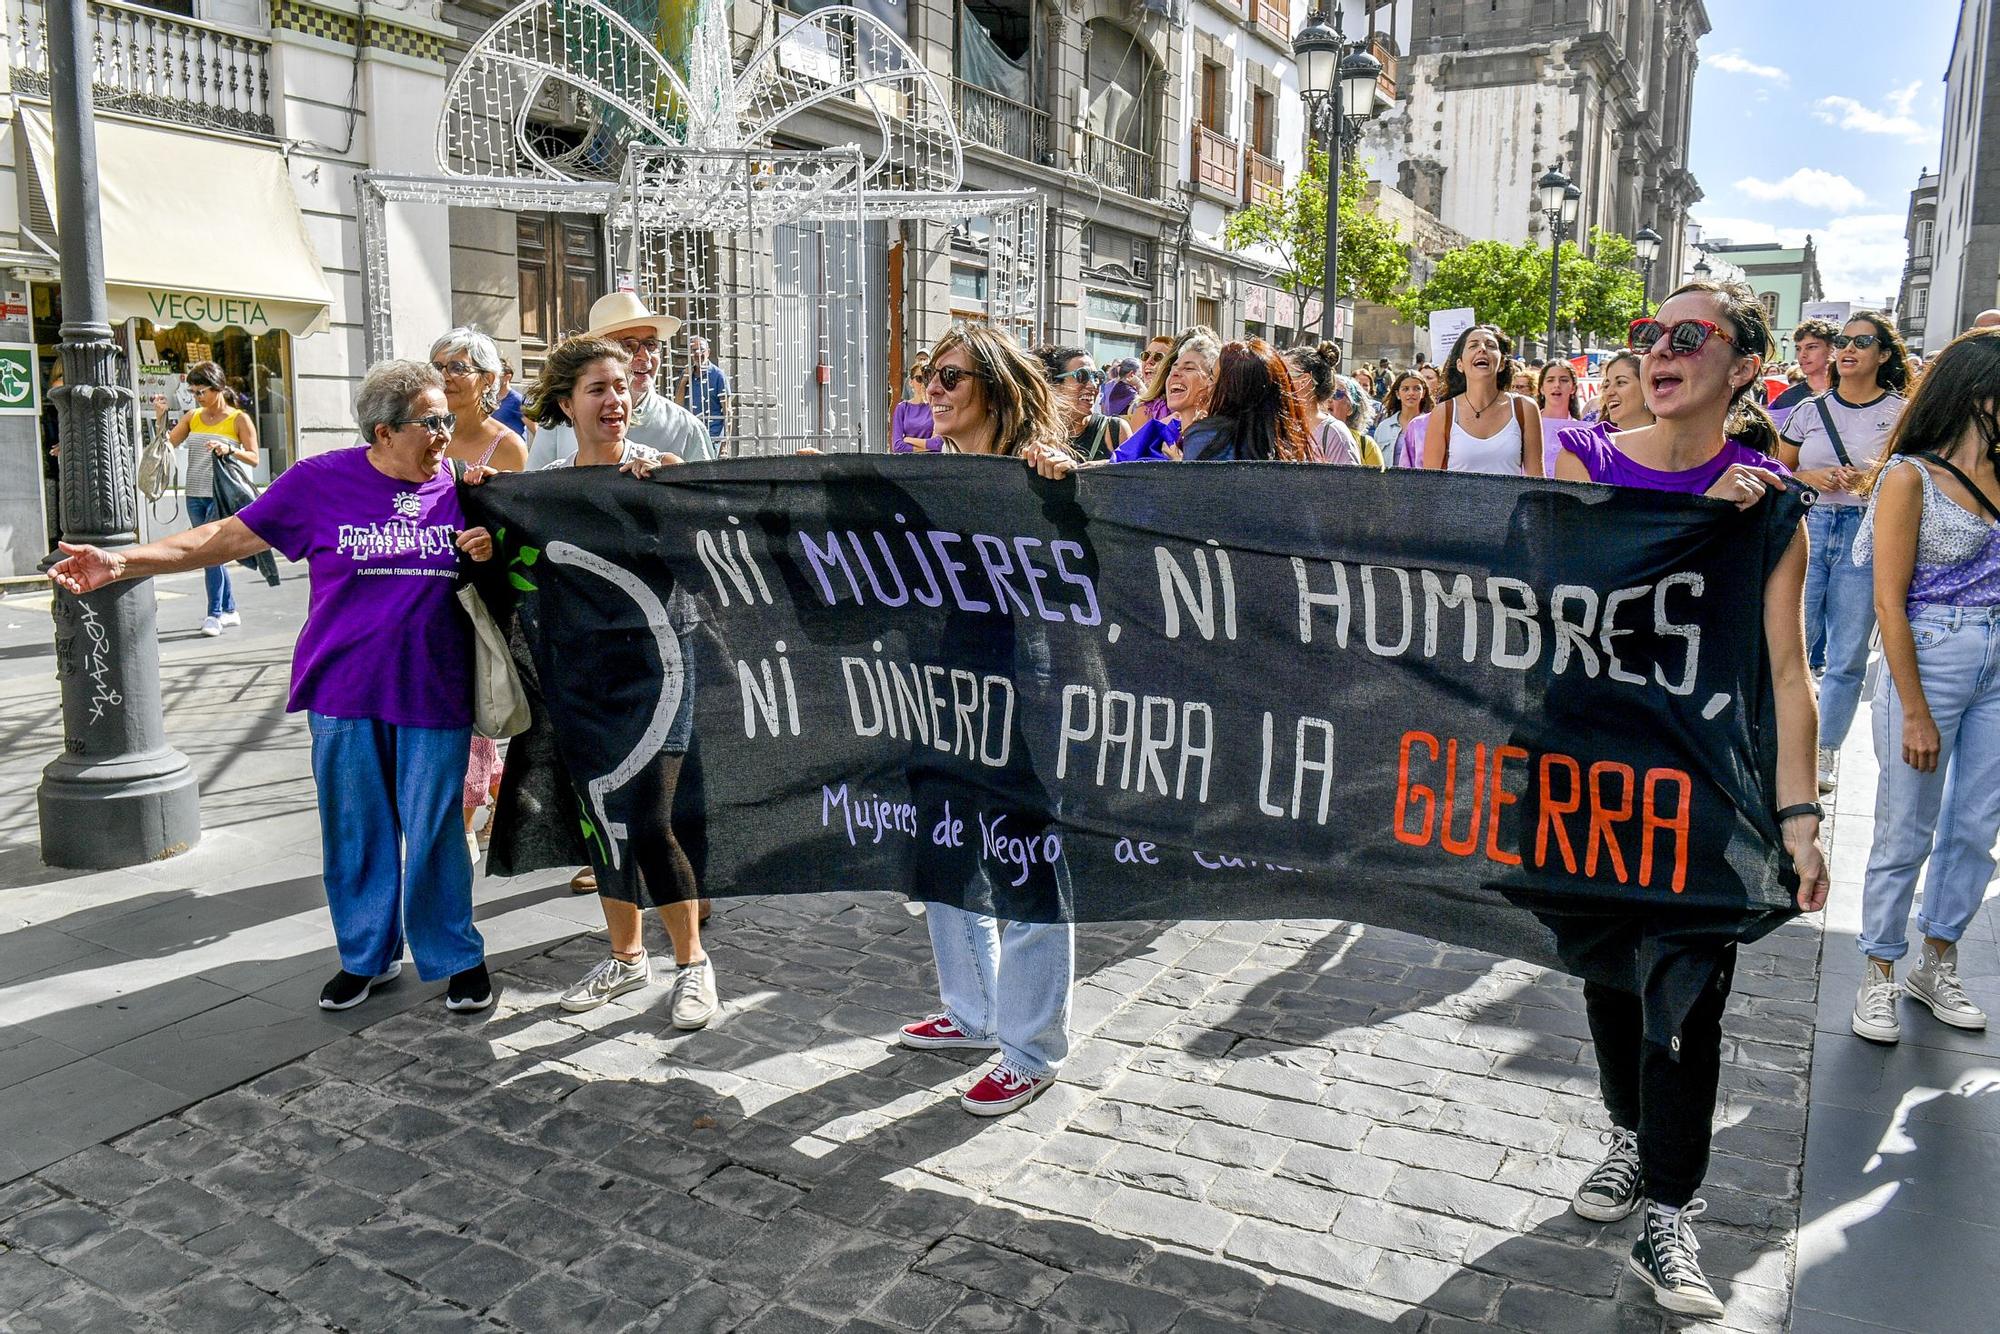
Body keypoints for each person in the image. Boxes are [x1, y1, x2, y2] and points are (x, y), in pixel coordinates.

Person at [55, 361, 499, 1013]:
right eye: (430, 422)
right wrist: (125, 561)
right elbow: (223, 538)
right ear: (383, 432)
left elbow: (532, 540)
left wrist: (492, 547)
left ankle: (455, 956)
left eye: (446, 420)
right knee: (355, 830)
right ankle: (367, 957)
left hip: (435, 686)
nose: (444, 432)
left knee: (434, 831)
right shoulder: (321, 483)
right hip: (341, 689)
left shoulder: (465, 485)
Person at [1551, 281, 1826, 1321]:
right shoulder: (1577, 459)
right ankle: (1628, 1135)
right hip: (1579, 769)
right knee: (1608, 971)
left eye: (1684, 335)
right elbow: (1530, 594)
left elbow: (1787, 672)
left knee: (1686, 991)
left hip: (1697, 791)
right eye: (1643, 334)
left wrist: (1796, 821)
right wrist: (1674, 531)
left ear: (1740, 367)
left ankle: (1670, 1206)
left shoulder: (1767, 505)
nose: (1655, 349)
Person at [891, 323, 1076, 1117]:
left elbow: (1095, 569)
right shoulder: (931, 479)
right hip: (940, 692)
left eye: (950, 378)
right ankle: (973, 1014)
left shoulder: (1041, 477)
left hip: (1024, 697)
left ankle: (1030, 1048)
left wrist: (1070, 491)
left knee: (1024, 861)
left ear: (995, 391)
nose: (932, 388)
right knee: (944, 853)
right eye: (929, 374)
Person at [516, 337, 719, 1030]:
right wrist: (484, 539)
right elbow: (515, 567)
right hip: (581, 678)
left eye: (622, 386)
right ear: (566, 404)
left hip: (660, 670)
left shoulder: (659, 477)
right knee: (602, 822)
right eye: (599, 389)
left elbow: (710, 562)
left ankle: (693, 966)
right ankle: (628, 957)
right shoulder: (545, 491)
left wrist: (678, 498)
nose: (617, 400)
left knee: (655, 820)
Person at [1849, 328, 2000, 1045]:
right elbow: (1889, 601)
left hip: (1998, 658)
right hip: (1930, 654)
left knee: (1976, 825)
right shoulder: (1908, 477)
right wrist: (1911, 708)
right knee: (1907, 824)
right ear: (1979, 396)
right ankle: (1878, 970)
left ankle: (1936, 962)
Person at [1776, 313, 1910, 790]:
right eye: (1842, 341)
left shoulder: (1900, 413)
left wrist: (1873, 482)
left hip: (1867, 534)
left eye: (1861, 341)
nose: (1847, 348)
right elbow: (1776, 468)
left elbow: (1918, 478)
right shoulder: (1810, 410)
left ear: (1884, 353)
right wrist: (1807, 478)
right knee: (1793, 643)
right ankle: (1783, 743)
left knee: (1848, 654)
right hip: (1809, 528)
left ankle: (1824, 751)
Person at [431, 328, 529, 862]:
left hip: (477, 596)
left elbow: (518, 534)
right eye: (438, 365)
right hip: (424, 592)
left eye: (457, 366)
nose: (444, 375)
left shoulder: (507, 445)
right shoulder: (424, 435)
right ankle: (480, 802)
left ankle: (466, 819)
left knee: (475, 702)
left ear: (488, 380)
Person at [525, 291, 711, 467]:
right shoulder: (559, 423)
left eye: (651, 344)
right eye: (628, 346)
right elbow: (533, 490)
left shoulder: (686, 428)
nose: (644, 355)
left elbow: (707, 496)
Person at [150, 361, 259, 637]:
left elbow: (254, 457)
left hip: (222, 496)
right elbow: (167, 446)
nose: (197, 397)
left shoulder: (238, 419)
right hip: (195, 494)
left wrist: (228, 449)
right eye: (193, 391)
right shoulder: (192, 417)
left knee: (209, 554)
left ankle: (214, 614)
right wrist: (160, 417)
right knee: (214, 555)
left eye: (201, 391)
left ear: (218, 388)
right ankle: (230, 609)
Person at [1420, 325, 1544, 475]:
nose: (1482, 349)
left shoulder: (1525, 408)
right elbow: (1430, 485)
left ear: (1502, 364)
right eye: (1473, 345)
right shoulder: (1443, 412)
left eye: (1490, 345)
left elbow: (1536, 481)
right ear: (1460, 365)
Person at [1178, 339, 1314, 461]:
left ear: (1232, 391)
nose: (1207, 385)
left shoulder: (1205, 437)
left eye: (1213, 378)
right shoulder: (1291, 444)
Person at [1114, 334, 1218, 462]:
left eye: (1189, 368)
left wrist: (1178, 466)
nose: (1175, 373)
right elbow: (1121, 462)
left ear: (1211, 382)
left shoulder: (1219, 439)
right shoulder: (1156, 431)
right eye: (1174, 367)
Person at [1286, 341, 1383, 466]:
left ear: (1304, 381)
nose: (1277, 382)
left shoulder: (1335, 433)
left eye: (1284, 375)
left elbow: (1348, 484)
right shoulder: (1282, 427)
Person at [1035, 344, 1132, 460]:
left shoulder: (1114, 430)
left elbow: (1132, 474)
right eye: (1082, 376)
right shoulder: (1034, 433)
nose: (1093, 385)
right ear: (1053, 384)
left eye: (1097, 377)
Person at [1127, 329, 1209, 430]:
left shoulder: (1212, 411)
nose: (1149, 361)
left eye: (1158, 357)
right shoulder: (1144, 409)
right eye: (1145, 355)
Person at [1767, 318, 1838, 427]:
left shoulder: (1850, 393)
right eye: (1798, 349)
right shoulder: (1786, 400)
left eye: (1811, 347)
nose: (1802, 355)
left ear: (1832, 349)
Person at [1372, 369, 1433, 467]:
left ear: (1424, 393)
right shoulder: (1384, 427)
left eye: (1416, 388)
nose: (1411, 393)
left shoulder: (1432, 425)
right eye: (1405, 389)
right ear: (1397, 394)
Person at [1536, 359, 1584, 475]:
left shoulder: (1582, 432)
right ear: (1542, 388)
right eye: (1550, 380)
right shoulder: (1526, 425)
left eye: (1563, 380)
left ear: (1573, 388)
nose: (1556, 385)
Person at [681, 334, 729, 446]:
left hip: (712, 437)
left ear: (708, 352)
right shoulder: (687, 373)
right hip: (690, 436)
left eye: (701, 349)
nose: (698, 353)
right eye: (694, 350)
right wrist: (684, 380)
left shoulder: (718, 375)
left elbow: (727, 411)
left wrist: (725, 444)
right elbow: (678, 405)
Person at [1594, 350, 1656, 433]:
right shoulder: (1593, 442)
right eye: (1606, 385)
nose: (1609, 392)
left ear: (1646, 386)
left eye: (1620, 382)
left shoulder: (1672, 441)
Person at [890, 355, 935, 453]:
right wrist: (926, 448)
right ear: (911, 382)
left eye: (926, 378)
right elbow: (897, 446)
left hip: (933, 464)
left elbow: (937, 444)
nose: (923, 383)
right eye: (919, 378)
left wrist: (908, 440)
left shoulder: (935, 407)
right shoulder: (902, 408)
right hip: (908, 463)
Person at [492, 356, 527, 437]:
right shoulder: (490, 400)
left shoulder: (518, 400)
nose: (492, 379)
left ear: (507, 377)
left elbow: (535, 430)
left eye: (497, 376)